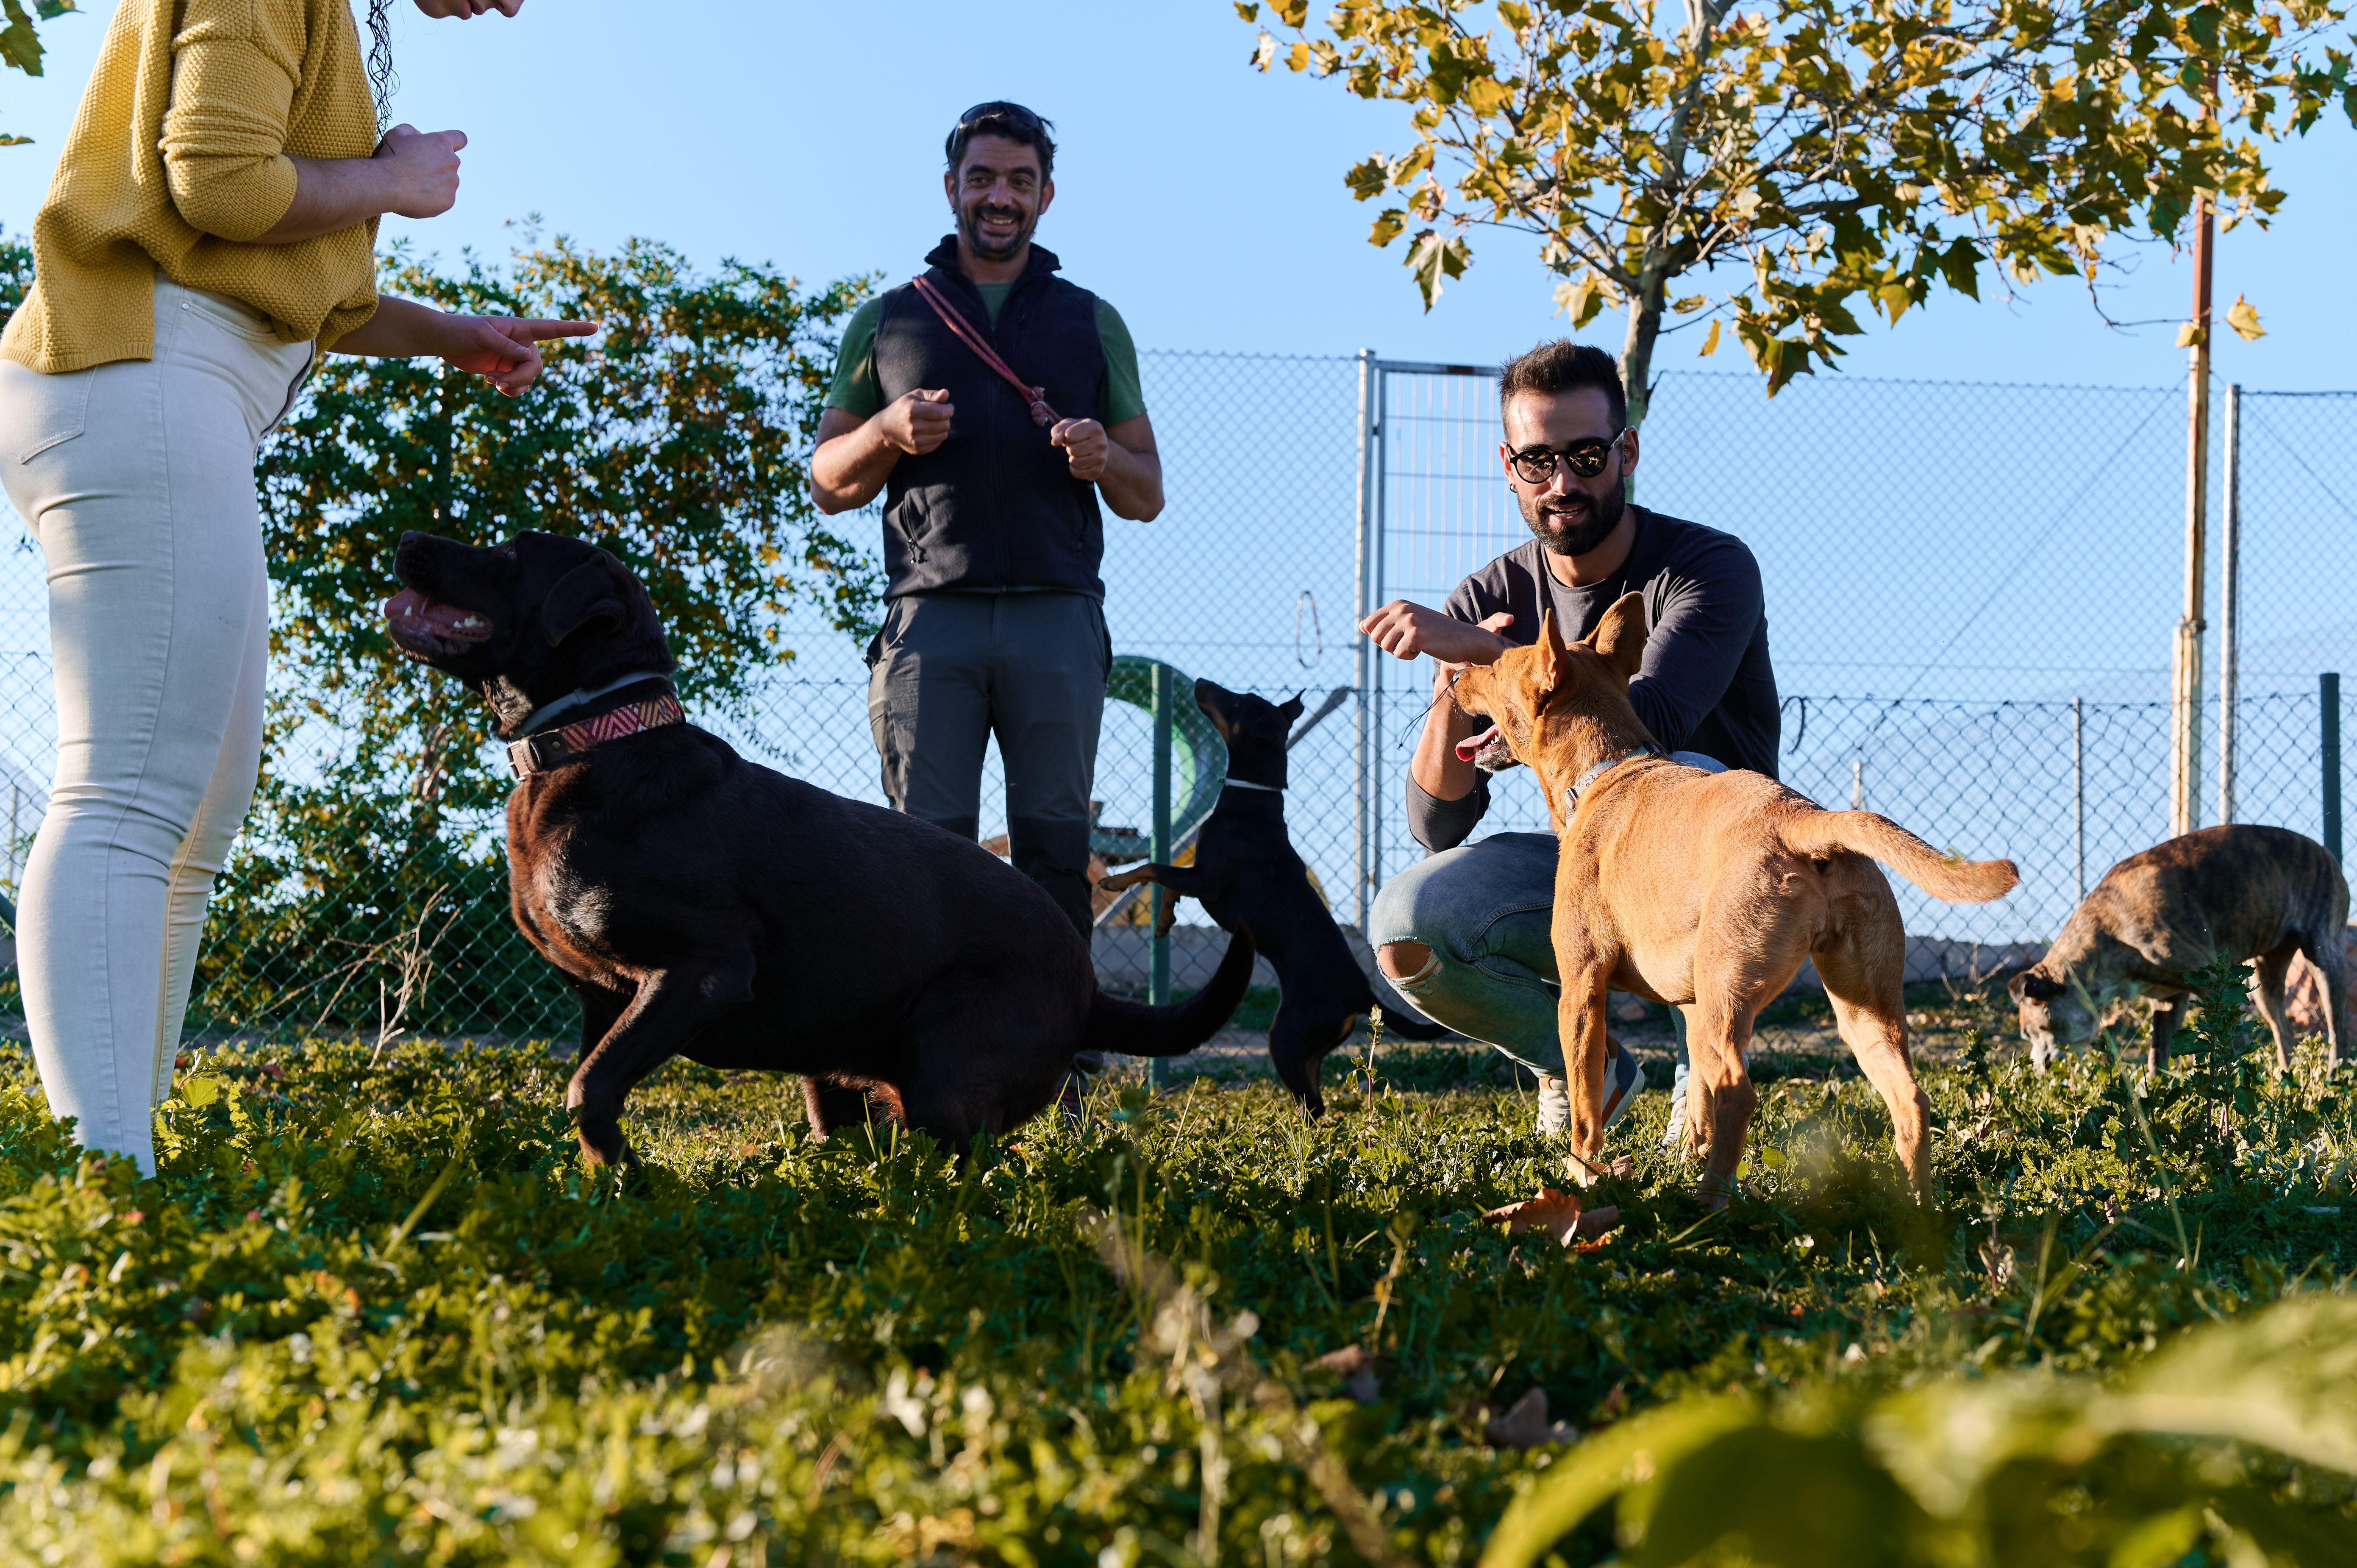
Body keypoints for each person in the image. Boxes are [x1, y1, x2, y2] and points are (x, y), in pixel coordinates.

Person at [0, 0, 593, 1176]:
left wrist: (451, 330)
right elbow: (222, 184)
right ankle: (105, 1174)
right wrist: (393, 181)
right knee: (127, 798)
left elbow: (272, 261)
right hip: (142, 372)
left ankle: (123, 1152)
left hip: (184, 382)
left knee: (194, 816)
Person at [1358, 341, 1780, 1154]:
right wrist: (1459, 673)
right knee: (1410, 925)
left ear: (1624, 451)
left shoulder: (1706, 567)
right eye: (1537, 460)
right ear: (1508, 466)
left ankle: (1707, 1065)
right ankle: (1585, 1066)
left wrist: (1490, 660)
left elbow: (1647, 724)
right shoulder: (1489, 600)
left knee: (1679, 775)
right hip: (1580, 862)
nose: (1562, 483)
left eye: (1585, 456)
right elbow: (1437, 822)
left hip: (1718, 868)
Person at [809, 101, 1162, 940]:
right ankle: (922, 1055)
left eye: (1019, 181)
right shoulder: (889, 320)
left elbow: (1146, 492)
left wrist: (1102, 458)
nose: (999, 197)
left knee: (1053, 846)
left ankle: (1059, 1058)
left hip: (1058, 614)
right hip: (931, 620)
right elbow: (828, 481)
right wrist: (885, 432)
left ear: (1046, 196)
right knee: (922, 851)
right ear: (950, 189)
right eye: (982, 179)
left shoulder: (1092, 321)